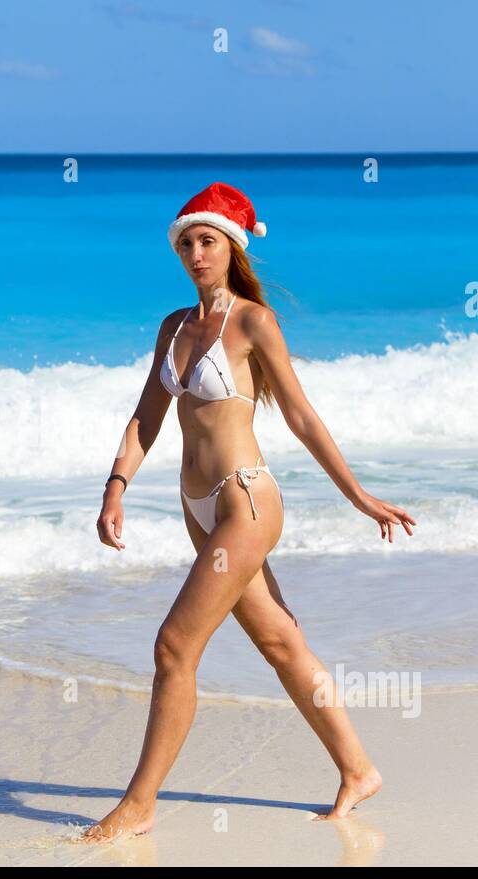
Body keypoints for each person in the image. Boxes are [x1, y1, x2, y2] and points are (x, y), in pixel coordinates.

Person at [83, 182, 416, 842]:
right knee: (279, 641)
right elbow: (148, 416)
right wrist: (116, 487)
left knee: (174, 646)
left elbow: (299, 414)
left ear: (233, 246)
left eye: (206, 241)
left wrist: (357, 495)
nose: (194, 253)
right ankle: (358, 768)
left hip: (246, 502)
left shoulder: (252, 322)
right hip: (196, 507)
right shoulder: (173, 327)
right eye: (185, 243)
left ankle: (140, 804)